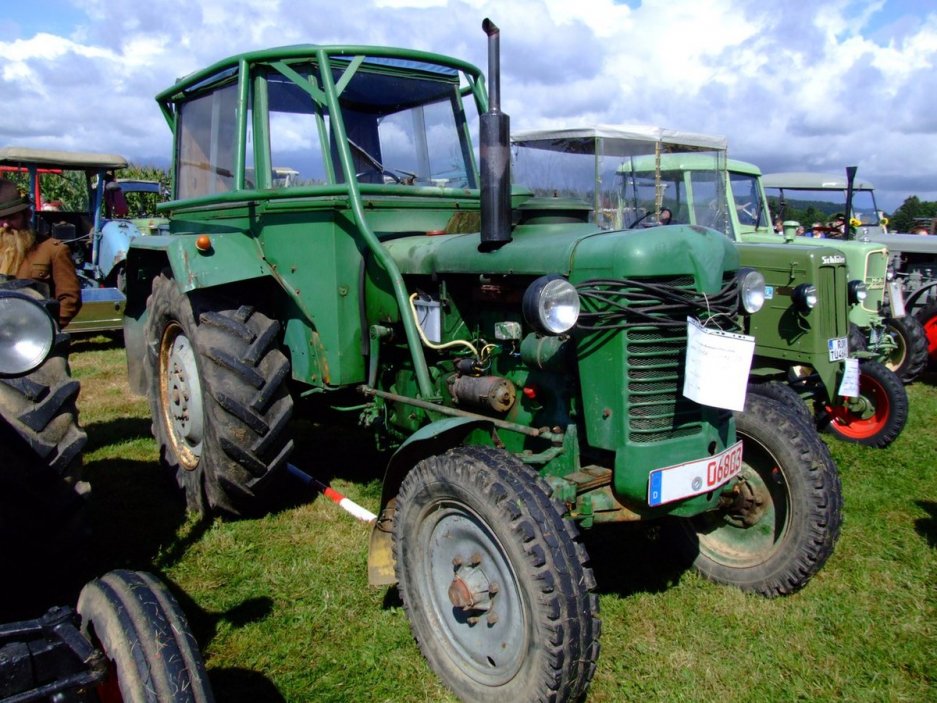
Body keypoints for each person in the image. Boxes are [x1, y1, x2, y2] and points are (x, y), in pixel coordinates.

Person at [0, 178, 82, 327]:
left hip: (31, 335)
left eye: (12, 218)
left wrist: (45, 328)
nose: (5, 225)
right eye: (0, 219)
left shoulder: (53, 250)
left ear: (27, 216)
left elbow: (70, 299)